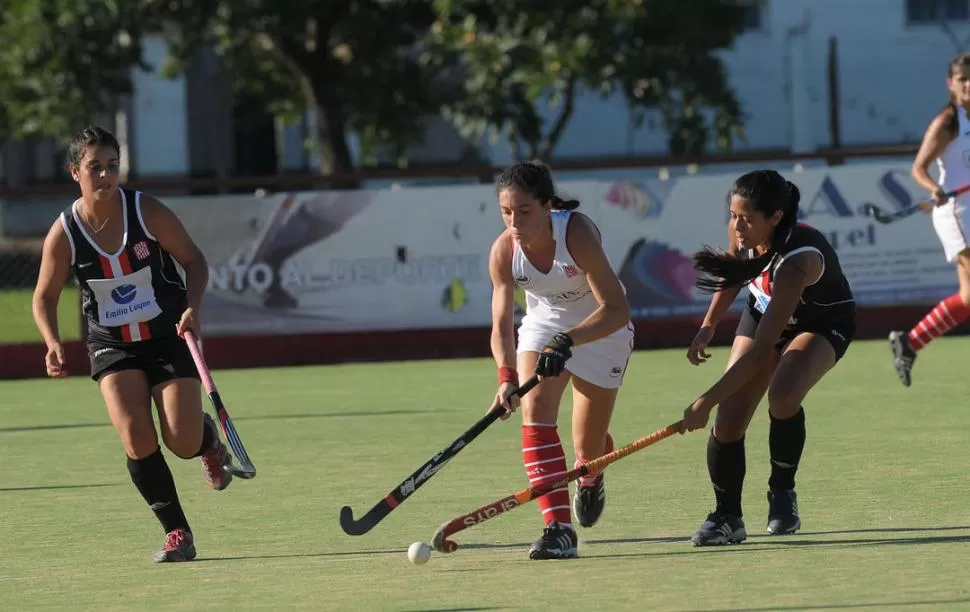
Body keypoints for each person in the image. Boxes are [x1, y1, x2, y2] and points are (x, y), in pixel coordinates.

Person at [31, 125, 234, 563]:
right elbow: (44, 297)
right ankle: (177, 532)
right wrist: (51, 341)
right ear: (75, 172)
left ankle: (205, 441)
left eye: (112, 166)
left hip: (167, 336)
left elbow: (194, 261)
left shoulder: (147, 212)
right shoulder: (65, 231)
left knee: (180, 440)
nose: (104, 176)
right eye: (94, 168)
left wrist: (193, 308)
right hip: (112, 345)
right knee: (136, 435)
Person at [681, 169, 856, 546]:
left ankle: (782, 491)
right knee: (728, 422)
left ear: (775, 217)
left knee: (783, 395)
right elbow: (733, 272)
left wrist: (703, 401)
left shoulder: (797, 262)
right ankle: (727, 516)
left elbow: (762, 352)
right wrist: (709, 325)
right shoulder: (741, 232)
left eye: (746, 217)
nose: (737, 225)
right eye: (732, 215)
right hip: (764, 312)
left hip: (821, 321)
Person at [487, 160, 635, 560]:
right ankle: (558, 528)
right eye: (506, 212)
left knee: (587, 446)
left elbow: (617, 309)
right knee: (534, 411)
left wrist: (569, 340)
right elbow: (501, 326)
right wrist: (506, 379)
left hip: (600, 329)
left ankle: (591, 474)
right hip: (543, 326)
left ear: (547, 205)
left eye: (524, 211)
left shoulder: (577, 234)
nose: (514, 222)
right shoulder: (504, 252)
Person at [889, 52, 970, 387]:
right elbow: (918, 168)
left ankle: (910, 342)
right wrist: (935, 188)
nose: (969, 85)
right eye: (963, 79)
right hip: (957, 212)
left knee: (968, 298)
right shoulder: (948, 122)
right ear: (951, 84)